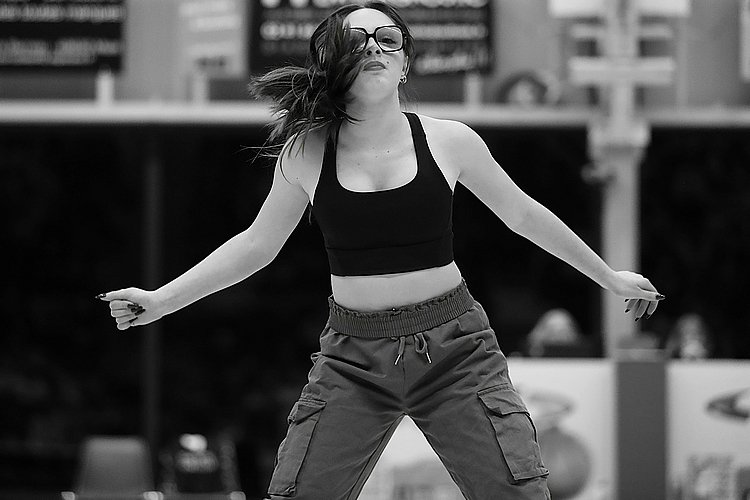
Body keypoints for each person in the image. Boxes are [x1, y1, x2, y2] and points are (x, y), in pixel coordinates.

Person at [97, 2, 665, 498]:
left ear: (405, 62)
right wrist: (162, 299)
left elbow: (523, 215)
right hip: (353, 357)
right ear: (331, 61)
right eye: (357, 39)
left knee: (517, 492)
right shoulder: (305, 152)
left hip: (457, 350)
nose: (373, 47)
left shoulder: (449, 139)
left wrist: (610, 276)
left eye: (387, 38)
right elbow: (255, 245)